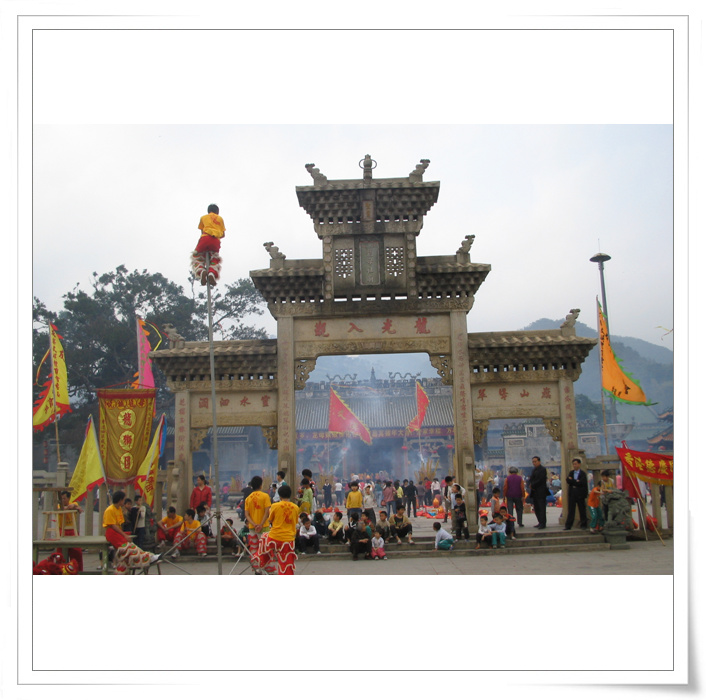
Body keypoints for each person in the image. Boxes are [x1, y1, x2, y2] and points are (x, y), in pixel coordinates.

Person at [103, 491, 160, 573]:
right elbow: (113, 525)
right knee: (128, 548)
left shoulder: (119, 509)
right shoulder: (110, 510)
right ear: (120, 500)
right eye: (123, 500)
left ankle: (148, 556)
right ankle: (147, 558)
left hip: (118, 532)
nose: (124, 501)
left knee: (130, 548)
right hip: (112, 532)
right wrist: (124, 535)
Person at [252, 484, 299, 575]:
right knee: (286, 564)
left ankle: (261, 561)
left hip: (274, 538)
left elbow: (270, 519)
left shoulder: (275, 506)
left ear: (280, 496)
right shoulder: (296, 508)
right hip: (288, 539)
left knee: (264, 537)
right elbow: (295, 522)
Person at [191, 203, 225, 286]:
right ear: (217, 212)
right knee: (214, 258)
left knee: (197, 256)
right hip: (216, 241)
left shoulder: (203, 217)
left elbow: (202, 231)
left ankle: (201, 270)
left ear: (208, 211)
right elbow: (223, 235)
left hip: (205, 238)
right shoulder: (220, 219)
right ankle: (211, 273)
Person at [244, 475, 272, 563]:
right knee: (264, 549)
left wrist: (254, 524)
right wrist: (261, 524)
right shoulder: (265, 496)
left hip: (252, 527)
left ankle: (256, 567)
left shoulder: (248, 498)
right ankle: (266, 567)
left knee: (254, 549)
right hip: (264, 527)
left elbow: (247, 515)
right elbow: (267, 512)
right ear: (261, 485)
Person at [57, 490, 83, 572]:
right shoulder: (59, 505)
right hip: (62, 530)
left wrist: (75, 507)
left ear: (68, 498)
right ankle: (60, 570)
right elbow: (61, 509)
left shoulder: (74, 503)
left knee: (77, 552)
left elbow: (76, 506)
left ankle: (78, 571)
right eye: (61, 498)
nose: (62, 500)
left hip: (72, 531)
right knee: (60, 553)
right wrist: (70, 507)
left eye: (64, 498)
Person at [564, 458, 589, 530]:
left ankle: (583, 524)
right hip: (572, 493)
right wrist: (576, 481)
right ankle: (568, 525)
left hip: (580, 494)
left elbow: (581, 483)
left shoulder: (582, 473)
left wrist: (573, 481)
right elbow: (568, 480)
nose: (574, 465)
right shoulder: (571, 472)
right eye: (573, 464)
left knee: (582, 510)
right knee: (571, 510)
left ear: (579, 464)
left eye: (576, 464)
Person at [528, 456, 549, 529]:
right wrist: (530, 484)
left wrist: (533, 484)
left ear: (539, 461)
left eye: (535, 461)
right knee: (536, 508)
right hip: (534, 492)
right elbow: (531, 479)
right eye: (533, 462)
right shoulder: (534, 469)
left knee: (541, 507)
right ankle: (539, 521)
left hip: (541, 491)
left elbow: (541, 480)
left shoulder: (542, 469)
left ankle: (543, 523)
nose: (534, 463)